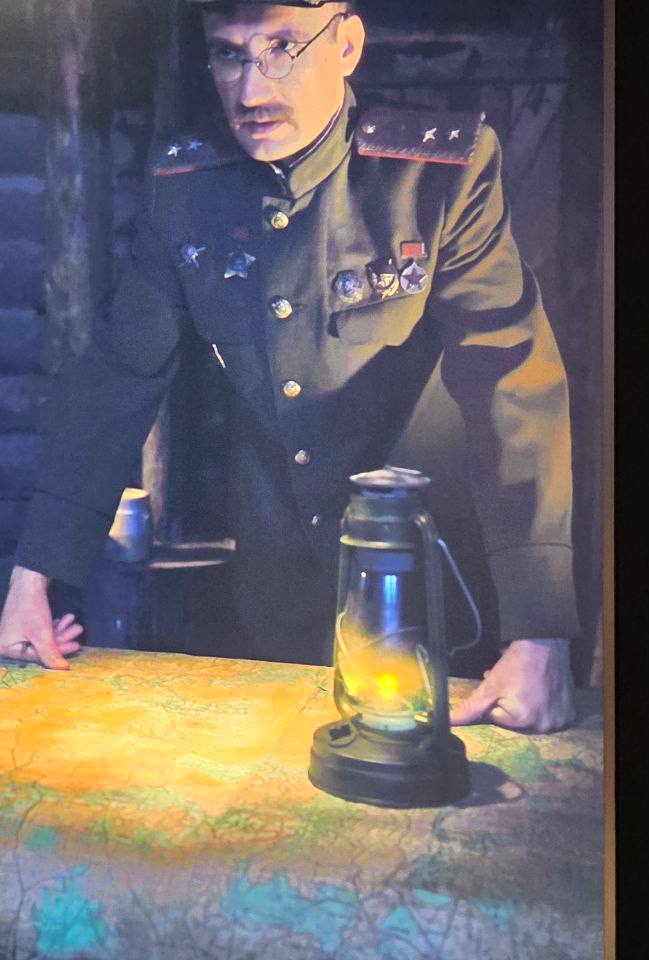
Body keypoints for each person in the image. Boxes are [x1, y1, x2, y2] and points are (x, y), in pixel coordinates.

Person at [0, 0, 580, 733]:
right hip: (273, 610)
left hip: (431, 597)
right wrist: (33, 578)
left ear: (346, 45)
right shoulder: (187, 187)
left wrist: (540, 631)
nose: (251, 89)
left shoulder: (437, 177)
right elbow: (120, 377)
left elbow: (511, 379)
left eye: (283, 47)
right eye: (229, 53)